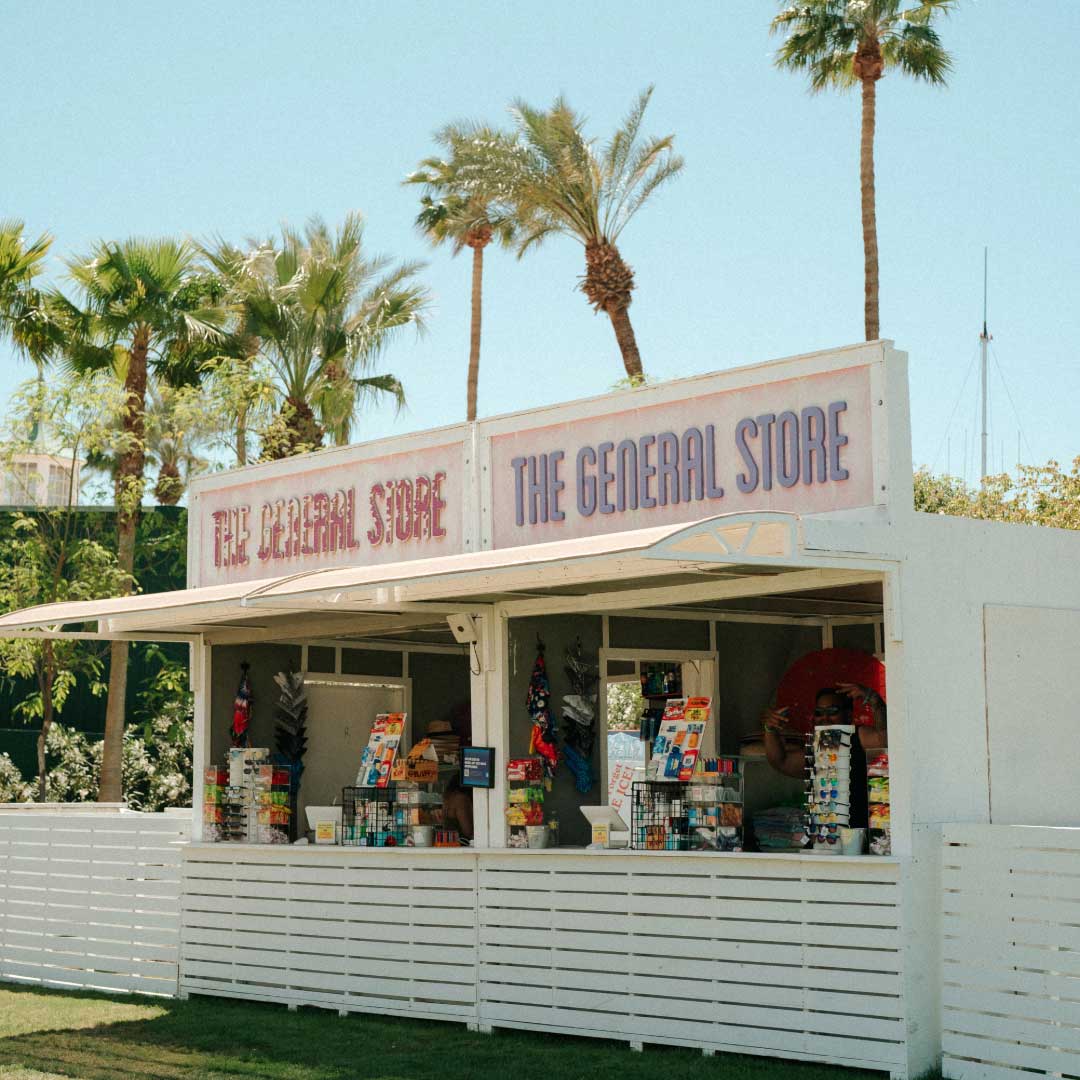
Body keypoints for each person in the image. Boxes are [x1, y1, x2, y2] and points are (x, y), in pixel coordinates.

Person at [761, 682, 886, 828]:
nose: (824, 718)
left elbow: (885, 739)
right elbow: (780, 762)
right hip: (821, 838)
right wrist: (770, 729)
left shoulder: (858, 735)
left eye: (832, 711)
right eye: (819, 713)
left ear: (848, 714)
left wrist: (874, 699)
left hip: (856, 836)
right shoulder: (817, 744)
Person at [441, 775, 474, 844]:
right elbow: (468, 830)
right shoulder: (461, 799)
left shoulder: (448, 798)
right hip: (462, 844)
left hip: (450, 844)